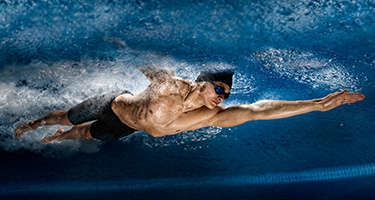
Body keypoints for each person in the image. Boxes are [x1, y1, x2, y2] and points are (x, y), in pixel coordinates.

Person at [15, 67, 365, 143]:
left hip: (127, 128)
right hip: (112, 106)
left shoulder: (213, 115)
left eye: (226, 93)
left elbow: (262, 109)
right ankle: (33, 125)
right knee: (66, 115)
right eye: (218, 88)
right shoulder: (171, 87)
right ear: (201, 83)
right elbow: (151, 67)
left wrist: (318, 104)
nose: (222, 96)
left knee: (82, 135)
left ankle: (56, 138)